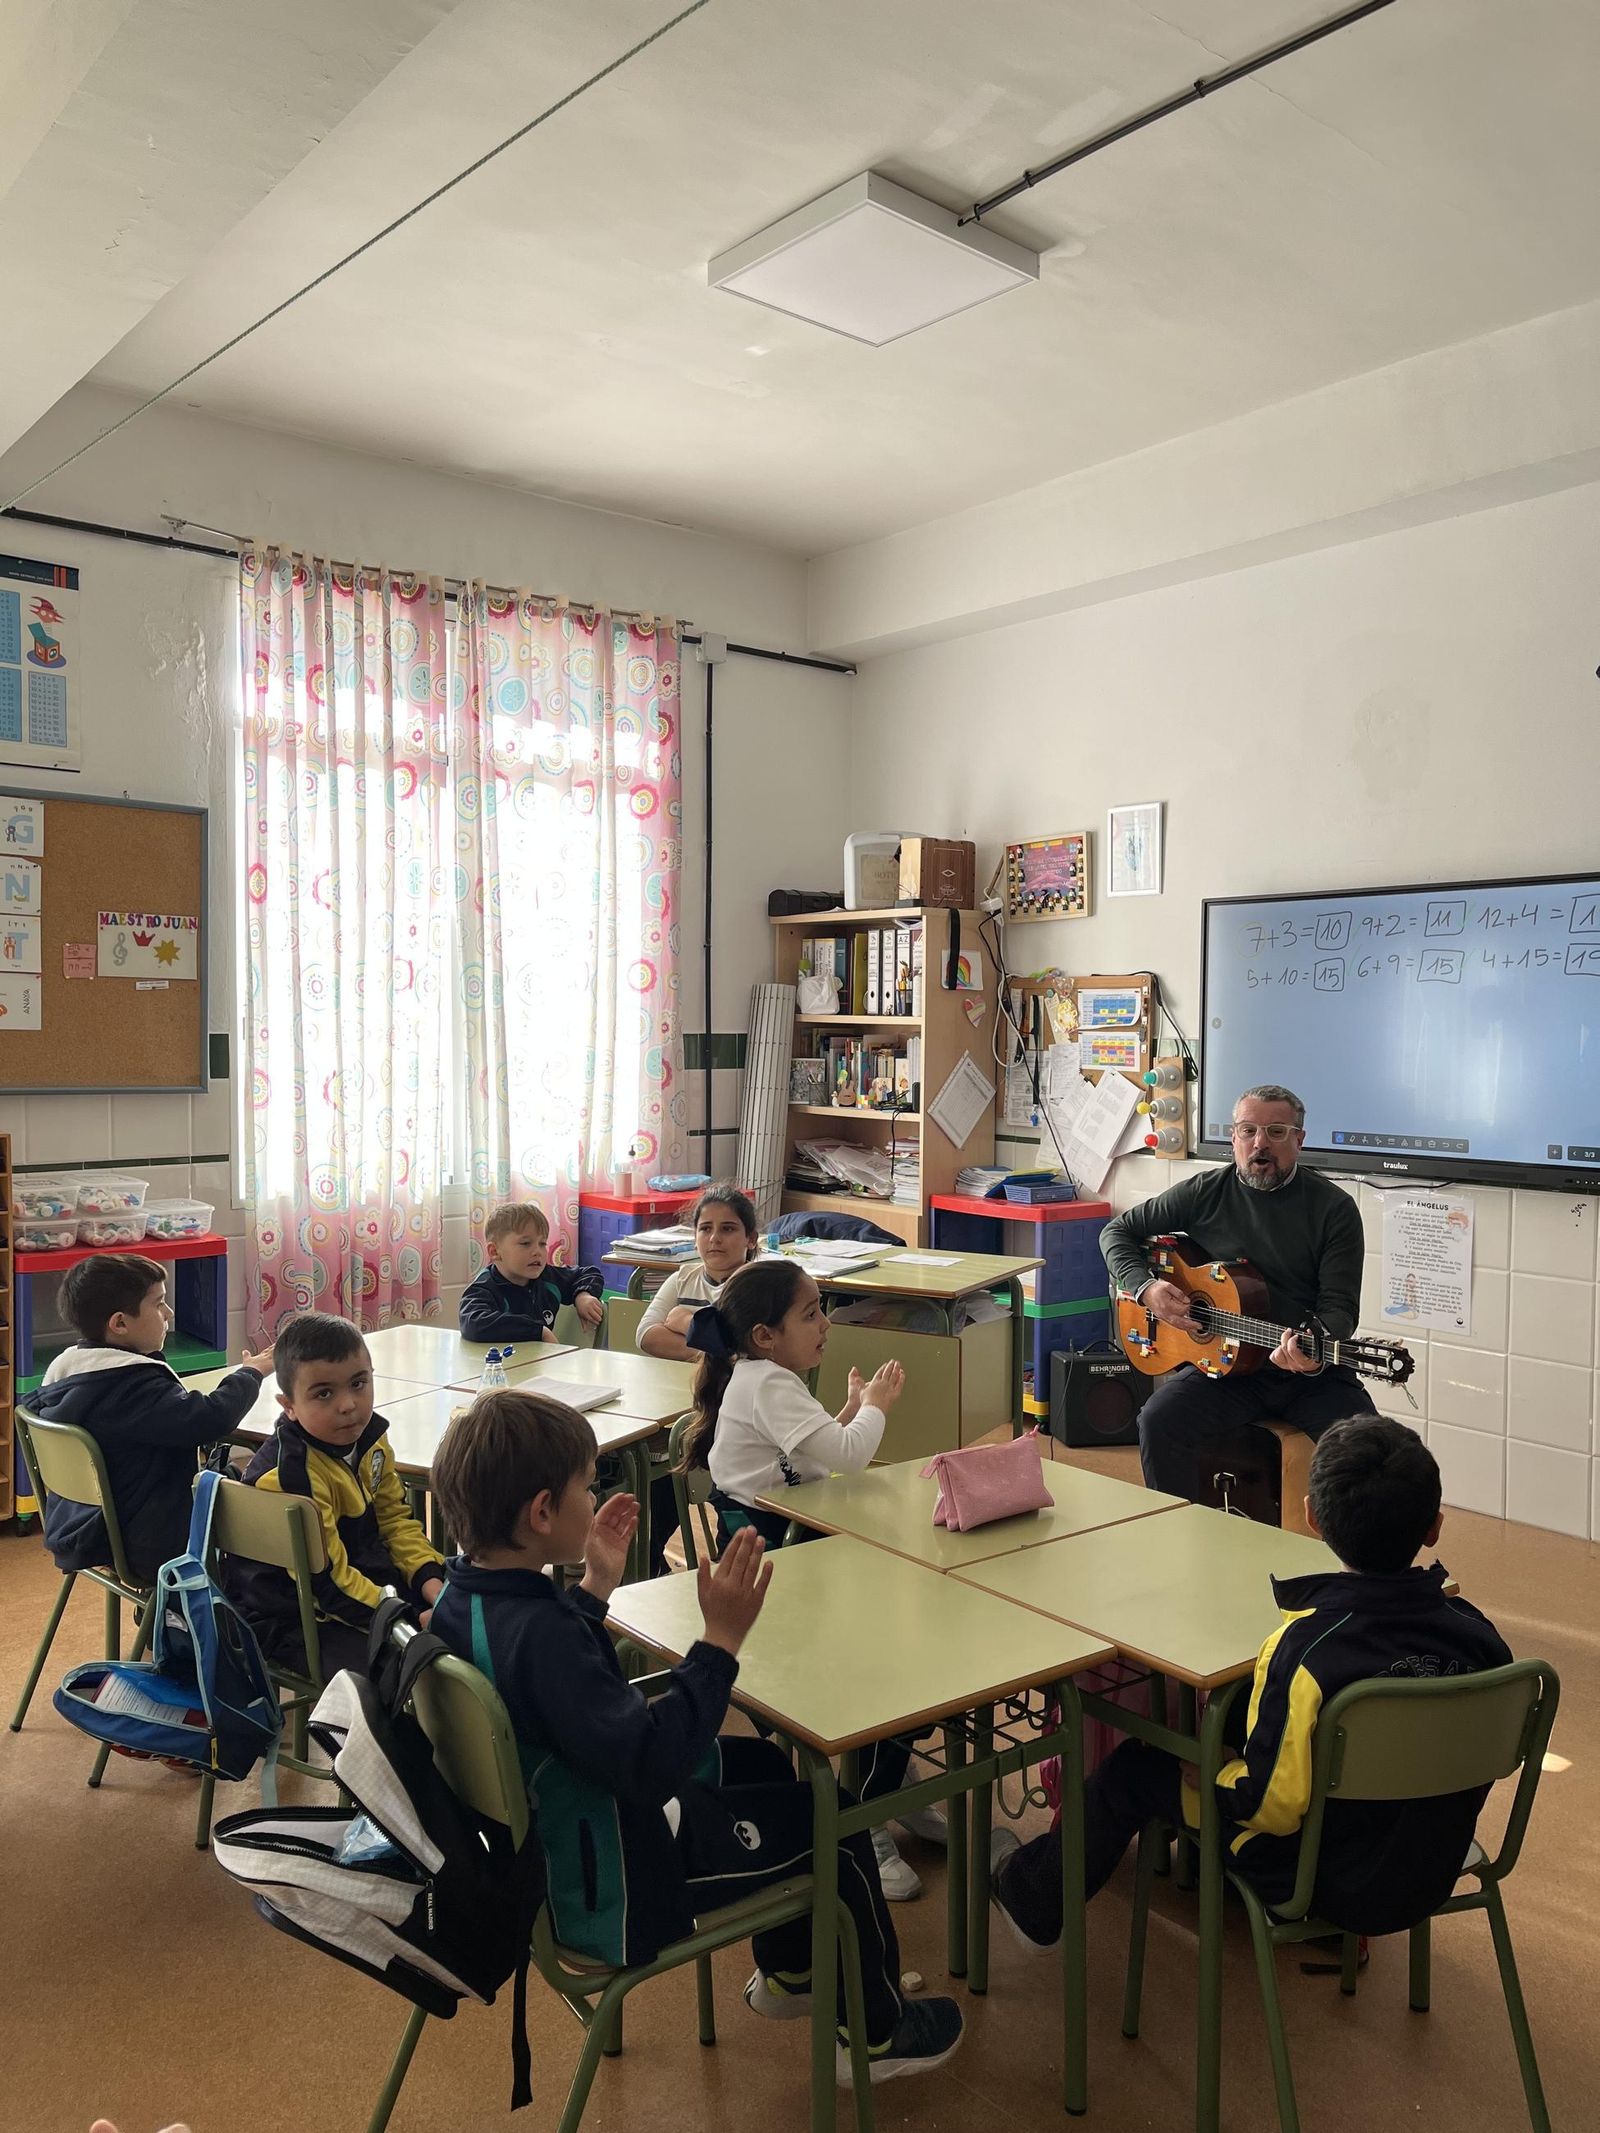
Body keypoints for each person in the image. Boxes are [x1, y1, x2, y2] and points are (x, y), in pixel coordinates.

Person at [428, 1389, 965, 2085]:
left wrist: (593, 1588)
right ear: (541, 1512)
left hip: (554, 1849)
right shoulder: (544, 1634)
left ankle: (795, 1968)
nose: (595, 1499)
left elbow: (553, 1696)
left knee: (763, 1761)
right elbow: (651, 1765)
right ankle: (879, 2033)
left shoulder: (461, 1600)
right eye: (586, 1488)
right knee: (831, 1821)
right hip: (615, 1875)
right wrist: (719, 1639)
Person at [991, 1415, 1513, 1949]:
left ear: (1311, 1518)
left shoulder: (1304, 1653)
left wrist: (1218, 1772)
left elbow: (1269, 1807)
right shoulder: (1481, 1638)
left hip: (1320, 1877)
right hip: (1433, 1862)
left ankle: (1033, 1895)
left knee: (1132, 1772)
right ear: (1435, 1526)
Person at [683, 1259, 942, 1903]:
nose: (825, 1324)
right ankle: (860, 1819)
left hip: (791, 1552)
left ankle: (886, 1785)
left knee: (886, 1657)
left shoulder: (765, 1377)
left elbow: (812, 1452)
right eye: (811, 1313)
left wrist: (851, 1408)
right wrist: (875, 1411)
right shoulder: (767, 1383)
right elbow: (850, 1457)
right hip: (778, 1563)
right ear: (765, 1335)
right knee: (876, 1669)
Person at [1103, 1082, 1376, 1500]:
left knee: (1374, 1456)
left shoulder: (1334, 1209)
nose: (1260, 1144)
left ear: (1299, 1140)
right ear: (1233, 1138)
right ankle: (1175, 1533)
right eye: (1247, 1131)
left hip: (1311, 1373)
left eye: (1277, 1132)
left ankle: (1371, 1561)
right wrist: (1145, 1288)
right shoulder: (1204, 1192)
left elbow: (1340, 1310)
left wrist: (1313, 1350)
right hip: (1227, 1370)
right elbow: (1116, 1231)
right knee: (1157, 1421)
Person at [28, 1254, 273, 1582]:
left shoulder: (69, 1376)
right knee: (274, 1504)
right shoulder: (130, 1388)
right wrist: (251, 1373)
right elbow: (209, 1419)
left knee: (232, 1478)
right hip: (149, 1544)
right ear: (119, 1324)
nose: (169, 1313)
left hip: (90, 1527)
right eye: (159, 1304)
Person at [230, 1312, 446, 1674]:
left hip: (356, 1578)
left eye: (359, 1384)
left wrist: (430, 1581)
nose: (347, 1405)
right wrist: (404, 1616)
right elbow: (326, 1585)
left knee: (474, 1605)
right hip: (296, 1615)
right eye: (324, 1393)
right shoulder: (291, 1477)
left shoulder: (370, 1439)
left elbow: (394, 1521)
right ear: (289, 1406)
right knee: (414, 1669)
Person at [636, 1183, 759, 1362]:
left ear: (751, 1239)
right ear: (695, 1238)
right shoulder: (682, 1280)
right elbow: (646, 1336)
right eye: (705, 1228)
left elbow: (747, 1350)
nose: (714, 1238)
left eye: (728, 1229)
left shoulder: (759, 1287)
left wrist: (686, 1322)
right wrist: (716, 1354)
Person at [459, 1202, 604, 1346]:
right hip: (501, 1366)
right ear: (494, 1251)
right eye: (525, 1244)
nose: (537, 1252)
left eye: (542, 1244)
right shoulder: (484, 1288)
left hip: (540, 1363)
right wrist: (538, 1331)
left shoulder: (547, 1277)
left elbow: (588, 1273)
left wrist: (583, 1295)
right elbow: (473, 1322)